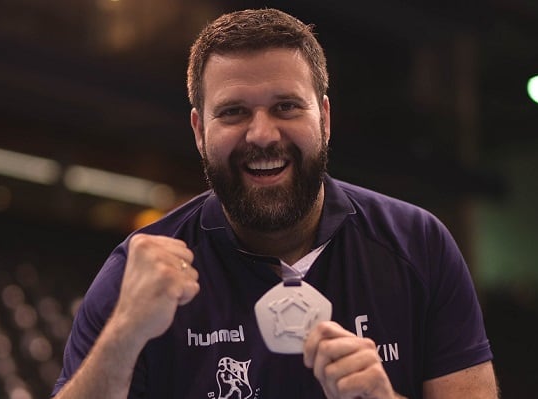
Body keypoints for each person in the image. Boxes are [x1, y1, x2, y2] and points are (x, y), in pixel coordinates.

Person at [51, 8, 498, 399]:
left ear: (324, 118)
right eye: (233, 112)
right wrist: (124, 335)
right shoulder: (138, 271)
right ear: (199, 131)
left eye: (286, 106)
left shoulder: (418, 243)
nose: (262, 134)